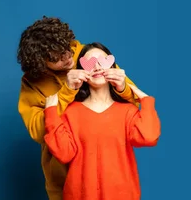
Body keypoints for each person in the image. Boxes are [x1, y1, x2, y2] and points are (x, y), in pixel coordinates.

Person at [16, 16, 139, 200]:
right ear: (40, 64)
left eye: (66, 49)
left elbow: (134, 101)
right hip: (64, 177)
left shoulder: (90, 55)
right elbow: (37, 131)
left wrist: (122, 87)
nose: (66, 57)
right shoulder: (33, 82)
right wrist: (67, 91)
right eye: (54, 58)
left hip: (108, 170)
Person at [44, 42, 161, 200]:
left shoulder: (127, 111)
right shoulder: (70, 113)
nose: (97, 67)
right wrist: (51, 113)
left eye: (103, 61)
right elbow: (64, 154)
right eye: (89, 63)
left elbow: (148, 137)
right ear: (81, 72)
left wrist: (145, 99)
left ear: (113, 67)